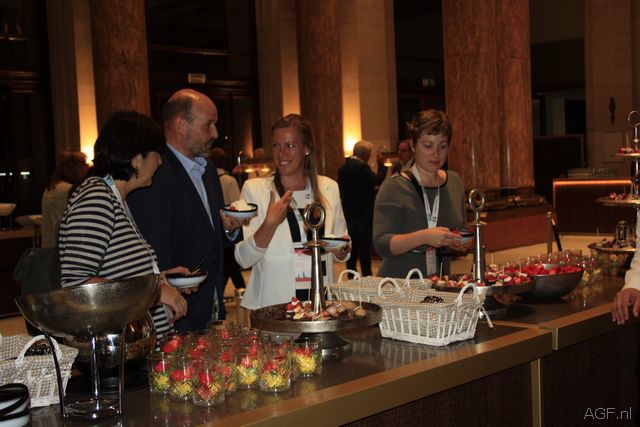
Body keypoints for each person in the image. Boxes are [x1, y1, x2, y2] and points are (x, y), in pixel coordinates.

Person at [58, 111, 190, 344]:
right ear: (136, 159)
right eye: (157, 154)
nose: (160, 162)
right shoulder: (96, 199)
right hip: (115, 350)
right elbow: (77, 285)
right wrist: (155, 293)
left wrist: (158, 280)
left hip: (131, 346)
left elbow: (116, 275)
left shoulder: (114, 198)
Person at [128, 89, 245, 332]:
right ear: (180, 125)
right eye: (208, 125)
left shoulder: (208, 170)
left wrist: (229, 228)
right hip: (175, 312)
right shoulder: (155, 171)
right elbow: (153, 248)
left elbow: (210, 236)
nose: (215, 133)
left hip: (210, 303)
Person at [235, 113, 350, 309]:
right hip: (275, 305)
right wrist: (270, 223)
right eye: (276, 145)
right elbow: (243, 259)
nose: (281, 154)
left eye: (289, 146)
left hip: (321, 303)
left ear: (306, 148)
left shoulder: (328, 188)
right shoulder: (255, 190)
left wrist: (341, 250)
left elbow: (342, 242)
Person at [373, 109, 471, 278]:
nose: (436, 154)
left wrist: (460, 243)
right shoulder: (394, 186)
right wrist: (424, 237)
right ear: (413, 145)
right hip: (399, 283)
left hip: (440, 282)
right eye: (428, 146)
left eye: (442, 146)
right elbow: (381, 244)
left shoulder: (454, 181)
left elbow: (461, 228)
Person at [337, 140, 386, 276]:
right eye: (369, 154)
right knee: (364, 251)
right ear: (365, 154)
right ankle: (366, 277)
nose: (370, 157)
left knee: (351, 251)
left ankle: (351, 276)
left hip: (349, 215)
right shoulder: (362, 168)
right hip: (363, 216)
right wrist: (381, 164)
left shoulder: (343, 168)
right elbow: (377, 180)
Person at [209, 147, 246, 290]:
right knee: (230, 265)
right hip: (230, 228)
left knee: (228, 265)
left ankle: (237, 290)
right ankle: (239, 290)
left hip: (215, 230)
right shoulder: (229, 180)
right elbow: (238, 205)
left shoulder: (208, 179)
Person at [41, 151, 88, 247]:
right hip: (62, 246)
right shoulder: (68, 189)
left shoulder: (51, 188)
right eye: (83, 165)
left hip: (49, 245)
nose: (86, 168)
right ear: (75, 168)